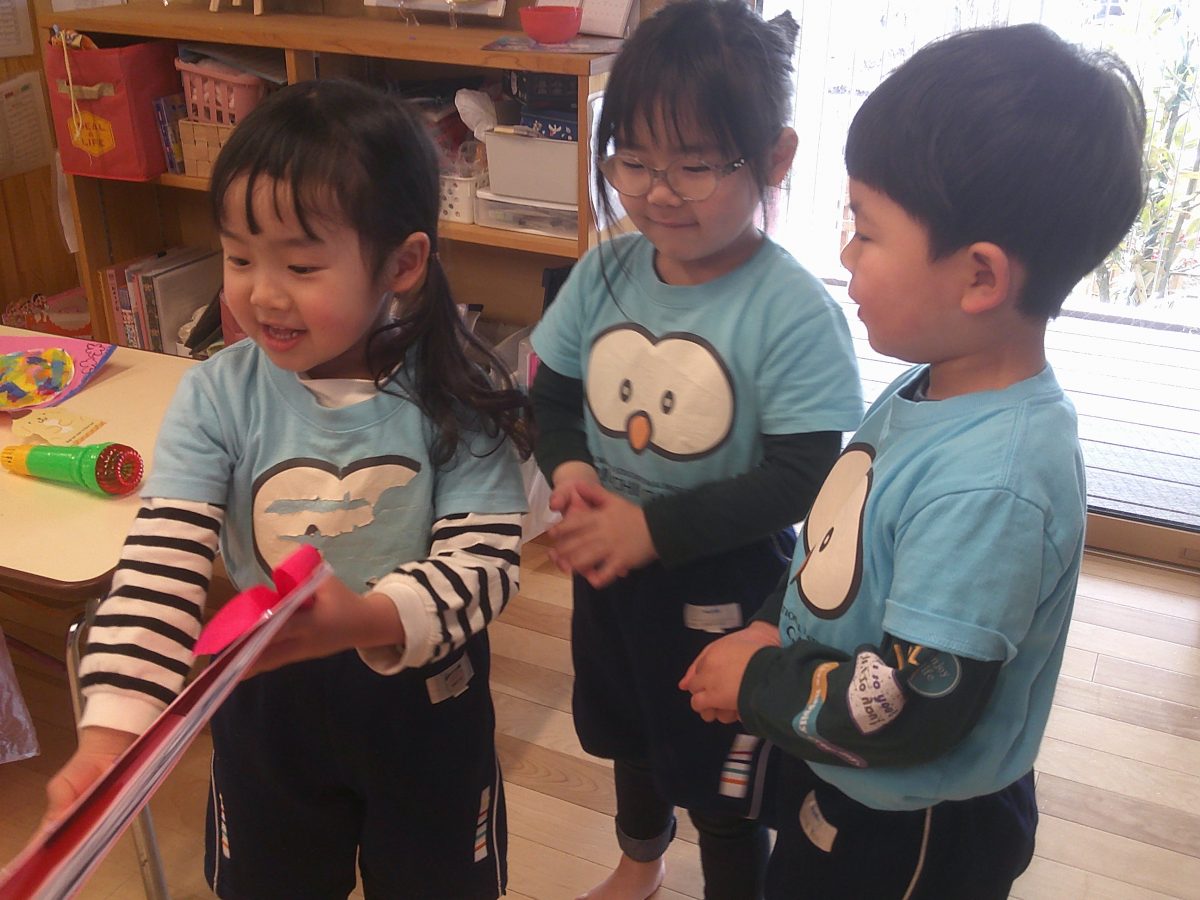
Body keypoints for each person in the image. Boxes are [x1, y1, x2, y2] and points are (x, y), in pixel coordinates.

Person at [681, 22, 1147, 899]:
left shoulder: (993, 484)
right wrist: (772, 630)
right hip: (850, 777)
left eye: (866, 231)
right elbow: (835, 551)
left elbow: (910, 703)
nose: (846, 255)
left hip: (913, 827)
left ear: (979, 277)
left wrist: (760, 682)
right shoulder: (930, 386)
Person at [43, 79, 531, 900]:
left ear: (403, 263)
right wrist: (109, 736)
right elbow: (159, 568)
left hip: (426, 705)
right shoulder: (217, 396)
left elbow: (484, 565)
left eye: (301, 265)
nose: (261, 292)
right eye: (240, 257)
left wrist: (366, 619)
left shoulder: (456, 390)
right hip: (266, 704)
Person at [529, 2, 864, 897]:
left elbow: (804, 477)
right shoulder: (603, 271)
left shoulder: (792, 311)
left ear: (775, 158)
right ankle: (640, 863)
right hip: (609, 577)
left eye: (694, 163)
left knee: (724, 773)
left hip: (727, 584)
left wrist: (653, 530)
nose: (657, 191)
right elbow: (552, 396)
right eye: (633, 159)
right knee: (627, 735)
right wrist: (571, 470)